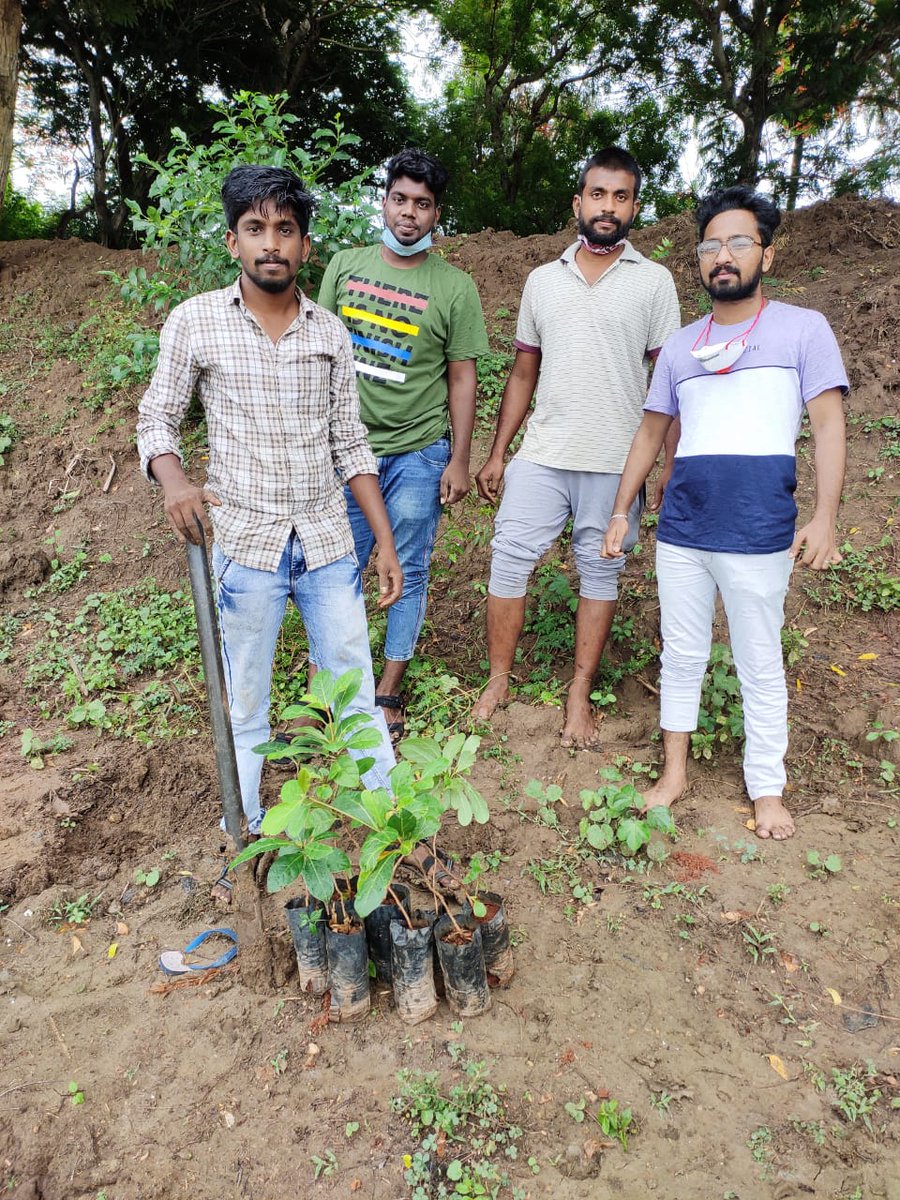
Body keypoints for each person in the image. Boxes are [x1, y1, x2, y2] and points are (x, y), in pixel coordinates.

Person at [136, 164, 402, 843]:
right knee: (247, 702)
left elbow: (351, 444)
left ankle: (391, 830)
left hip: (326, 545)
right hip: (246, 547)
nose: (272, 243)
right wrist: (175, 484)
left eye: (286, 229)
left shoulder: (329, 334)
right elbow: (157, 421)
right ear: (233, 242)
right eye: (256, 229)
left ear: (306, 246)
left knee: (354, 695)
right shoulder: (196, 323)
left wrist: (387, 546)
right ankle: (246, 835)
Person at [601, 185, 847, 839]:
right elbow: (651, 434)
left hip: (760, 530)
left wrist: (823, 518)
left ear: (767, 251)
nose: (724, 256)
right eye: (711, 245)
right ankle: (674, 775)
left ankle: (767, 790)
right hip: (683, 528)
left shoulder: (802, 330)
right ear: (700, 260)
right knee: (682, 655)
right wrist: (623, 510)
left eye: (739, 242)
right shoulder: (682, 347)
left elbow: (827, 426)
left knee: (758, 660)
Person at [472, 147, 681, 748]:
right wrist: (497, 453)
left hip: (618, 459)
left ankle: (578, 690)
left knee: (600, 571)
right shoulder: (543, 280)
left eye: (620, 197)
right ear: (578, 203)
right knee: (509, 557)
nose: (607, 207)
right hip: (543, 452)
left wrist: (667, 464)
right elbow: (522, 372)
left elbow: (665, 385)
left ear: (634, 206)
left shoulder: (653, 282)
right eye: (598, 195)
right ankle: (498, 679)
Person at [317, 148, 489, 744]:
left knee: (408, 569)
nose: (408, 213)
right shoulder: (344, 266)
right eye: (399, 199)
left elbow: (462, 375)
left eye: (422, 204)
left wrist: (460, 458)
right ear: (383, 200)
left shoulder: (455, 287)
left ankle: (387, 687)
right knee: (336, 568)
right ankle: (332, 687)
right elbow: (320, 355)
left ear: (437, 213)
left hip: (419, 454)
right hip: (346, 454)